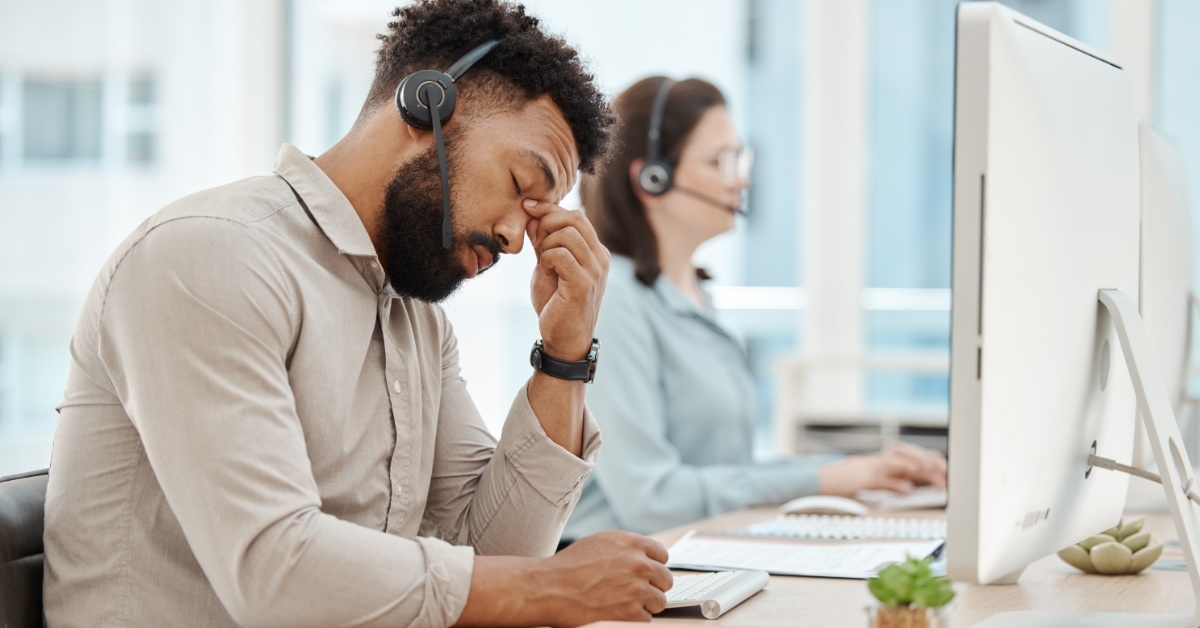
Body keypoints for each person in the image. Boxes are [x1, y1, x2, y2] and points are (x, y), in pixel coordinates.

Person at [43, 2, 674, 626]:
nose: (517, 239)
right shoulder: (210, 254)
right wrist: (552, 588)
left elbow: (492, 557)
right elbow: (273, 572)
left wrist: (564, 357)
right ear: (426, 103)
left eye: (541, 212)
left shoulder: (419, 321)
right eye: (519, 184)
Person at [563, 77, 948, 540]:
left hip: (694, 552)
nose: (741, 178)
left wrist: (858, 469)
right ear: (652, 179)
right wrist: (830, 479)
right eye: (720, 161)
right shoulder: (615, 298)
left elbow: (731, 471)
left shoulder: (694, 298)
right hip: (609, 572)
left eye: (739, 159)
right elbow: (653, 499)